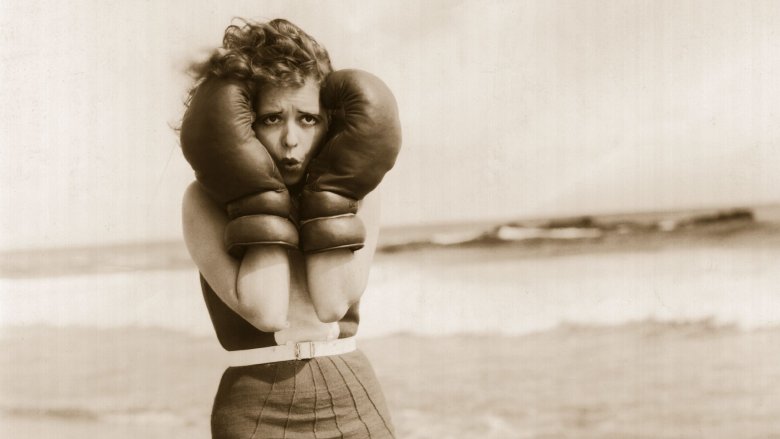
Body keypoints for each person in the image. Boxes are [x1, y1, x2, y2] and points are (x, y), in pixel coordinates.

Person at [179, 18, 401, 438]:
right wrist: (255, 194)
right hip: (256, 406)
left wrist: (333, 195)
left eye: (308, 119)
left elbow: (332, 304)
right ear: (241, 123)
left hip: (353, 394)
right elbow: (266, 311)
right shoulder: (202, 201)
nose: (290, 140)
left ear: (330, 122)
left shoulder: (360, 193)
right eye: (271, 119)